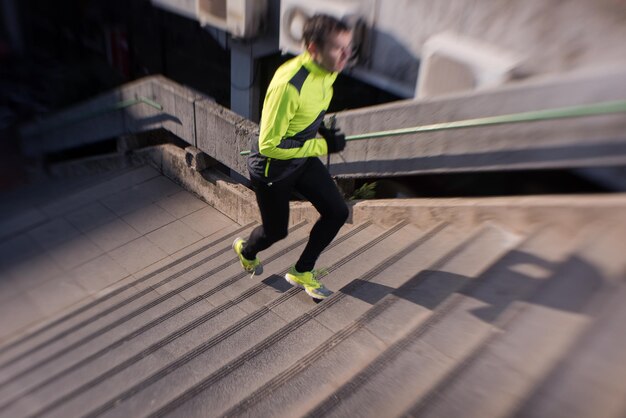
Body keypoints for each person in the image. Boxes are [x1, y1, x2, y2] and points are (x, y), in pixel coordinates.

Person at [232, 14, 353, 300]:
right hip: (272, 169)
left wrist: (322, 130)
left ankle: (302, 270)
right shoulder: (288, 84)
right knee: (276, 233)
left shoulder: (329, 70)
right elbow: (269, 144)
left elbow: (311, 109)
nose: (346, 55)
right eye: (339, 47)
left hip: (300, 157)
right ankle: (246, 251)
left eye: (349, 47)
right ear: (313, 49)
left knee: (337, 212)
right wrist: (321, 147)